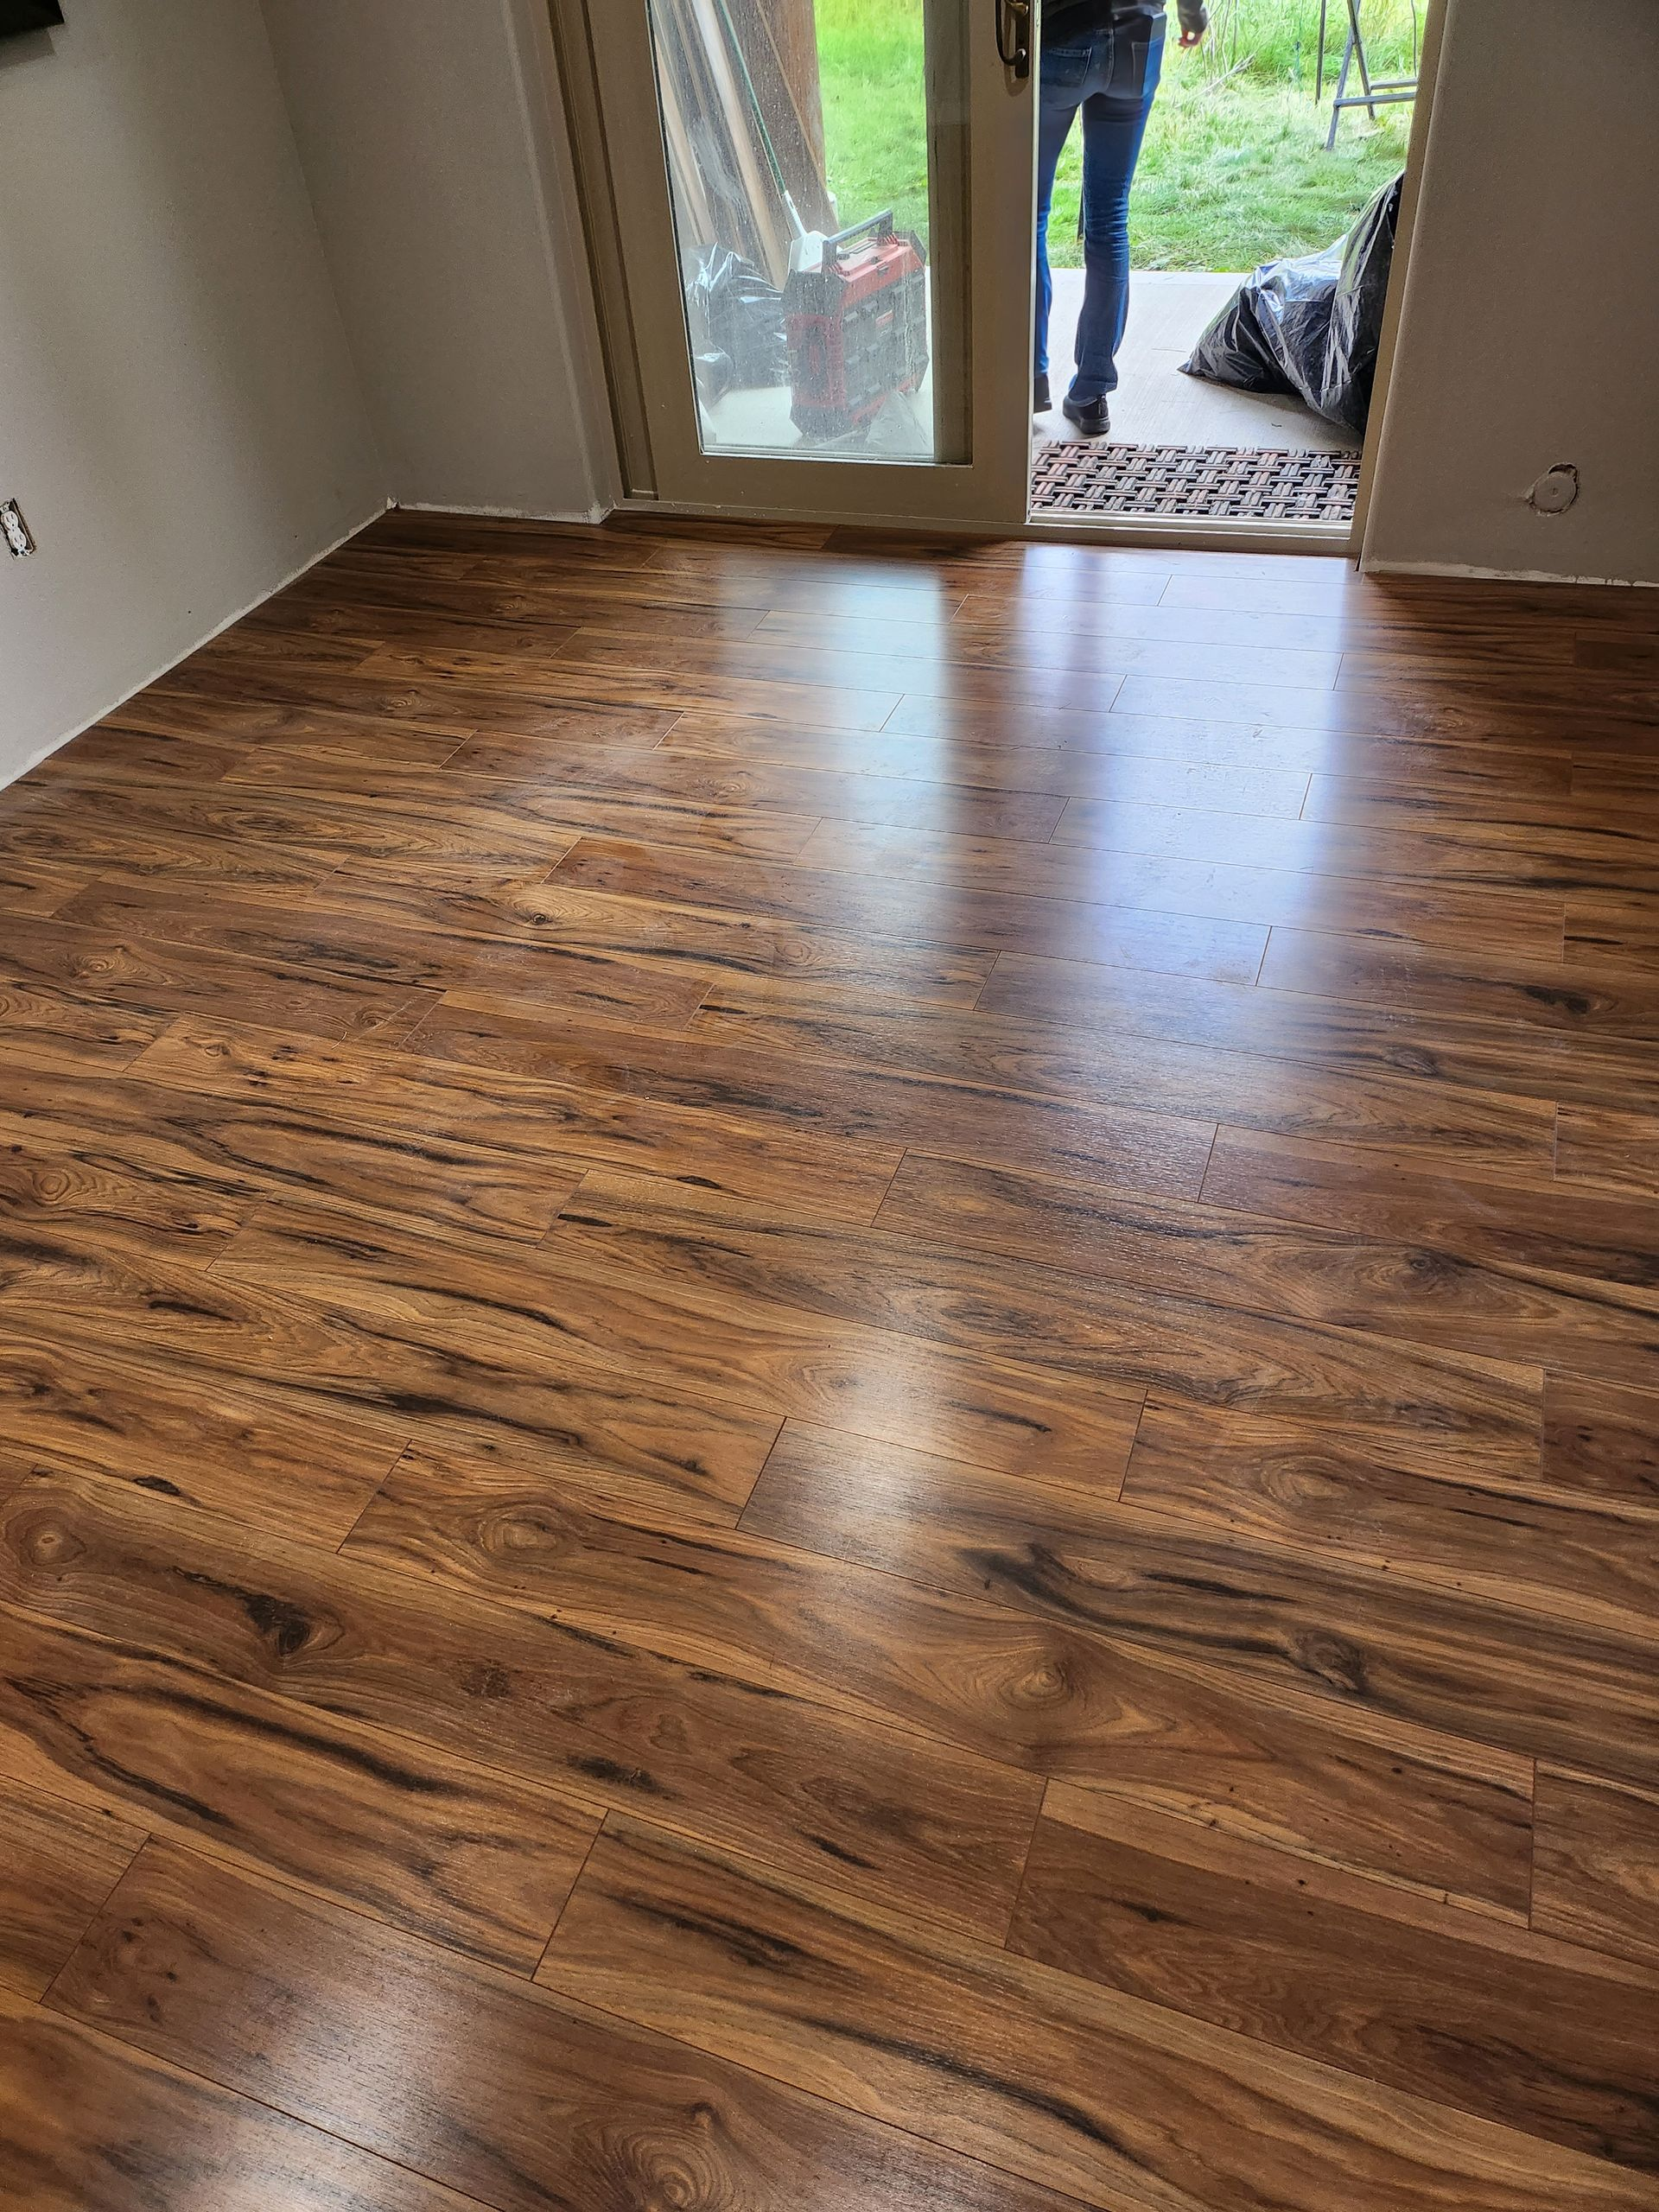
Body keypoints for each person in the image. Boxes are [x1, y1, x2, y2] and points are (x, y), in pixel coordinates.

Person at [1035, 0, 1208, 437]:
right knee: (1110, 219)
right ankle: (1092, 394)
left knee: (1028, 214)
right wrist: (1193, 16)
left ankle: (1029, 379)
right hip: (1138, 35)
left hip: (1063, 33)